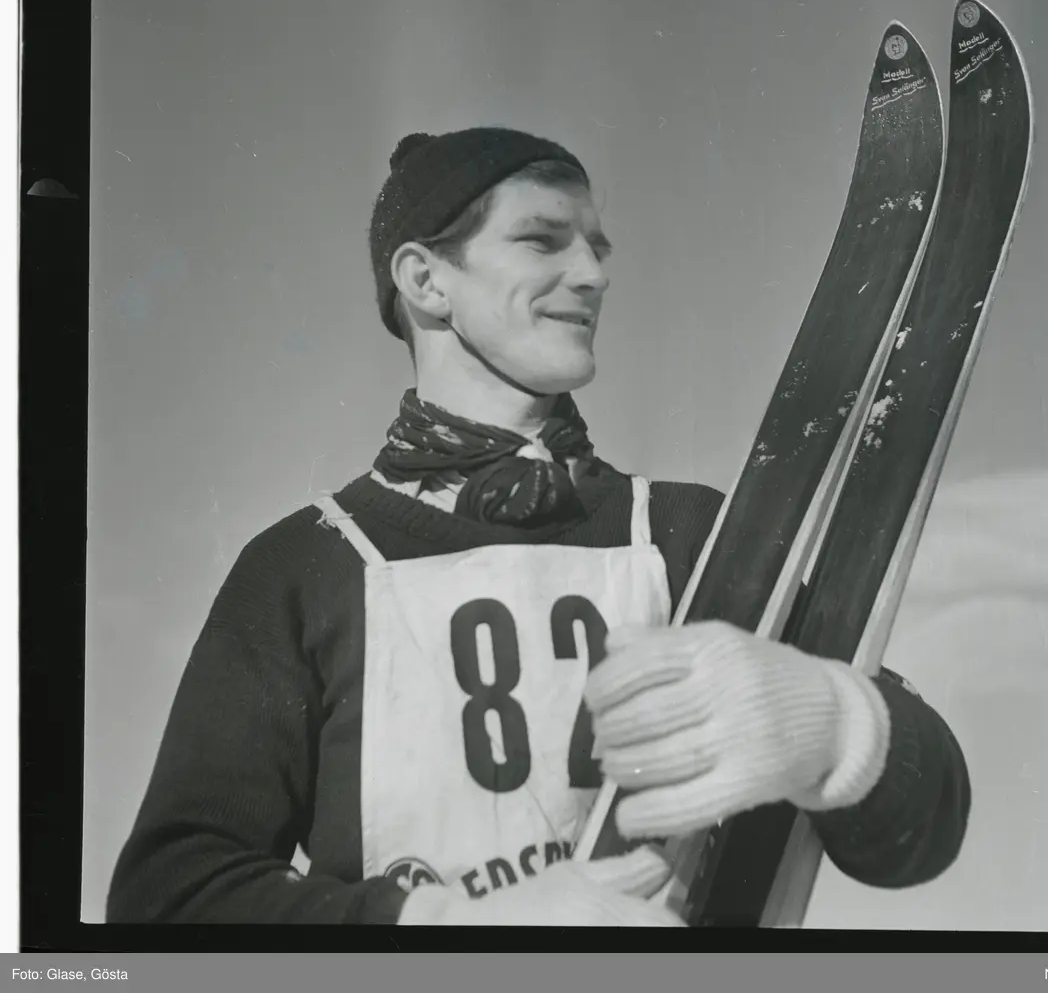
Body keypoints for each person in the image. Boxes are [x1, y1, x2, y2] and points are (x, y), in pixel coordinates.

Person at [107, 126, 971, 927]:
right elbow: (168, 897)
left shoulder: (688, 535)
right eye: (542, 239)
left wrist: (834, 726)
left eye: (596, 247)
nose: (593, 274)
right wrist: (446, 927)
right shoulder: (308, 565)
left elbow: (925, 826)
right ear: (426, 281)